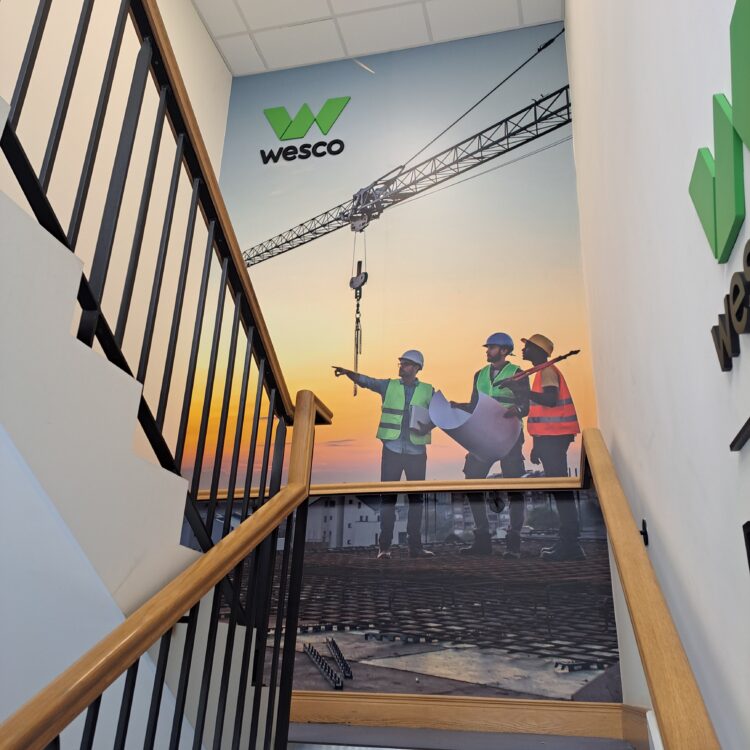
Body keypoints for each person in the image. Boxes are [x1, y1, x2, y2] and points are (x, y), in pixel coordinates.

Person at [333, 350, 435, 559]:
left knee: (416, 500)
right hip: (392, 450)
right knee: (388, 498)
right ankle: (385, 547)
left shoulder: (428, 390)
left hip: (416, 452)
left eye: (406, 364)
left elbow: (439, 414)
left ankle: (415, 547)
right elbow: (367, 382)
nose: (401, 366)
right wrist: (348, 373)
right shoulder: (389, 385)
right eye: (401, 363)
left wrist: (428, 426)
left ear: (417, 368)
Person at [451, 333, 529, 557]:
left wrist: (518, 410)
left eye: (492, 347)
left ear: (504, 351)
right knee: (472, 482)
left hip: (509, 436)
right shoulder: (480, 375)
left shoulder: (517, 373)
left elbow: (526, 405)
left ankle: (513, 543)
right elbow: (475, 405)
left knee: (514, 487)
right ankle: (482, 540)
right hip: (484, 436)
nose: (487, 351)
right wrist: (458, 406)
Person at [521, 333, 585, 561]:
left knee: (560, 489)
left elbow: (550, 400)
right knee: (559, 488)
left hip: (555, 438)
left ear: (537, 351)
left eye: (527, 346)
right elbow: (542, 416)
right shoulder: (542, 372)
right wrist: (537, 445)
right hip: (550, 438)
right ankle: (569, 542)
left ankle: (570, 543)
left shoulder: (547, 371)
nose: (523, 349)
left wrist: (523, 391)